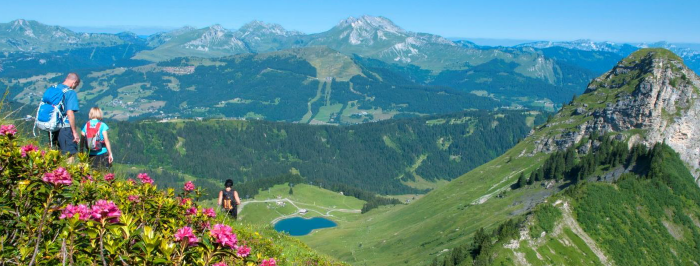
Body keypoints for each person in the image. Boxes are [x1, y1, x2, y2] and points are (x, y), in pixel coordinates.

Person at [51, 73, 81, 162]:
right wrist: (74, 132)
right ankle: (68, 174)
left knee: (56, 153)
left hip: (52, 126)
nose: (75, 87)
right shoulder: (70, 92)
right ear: (74, 82)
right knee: (70, 154)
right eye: (76, 85)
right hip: (65, 127)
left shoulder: (54, 89)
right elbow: (70, 112)